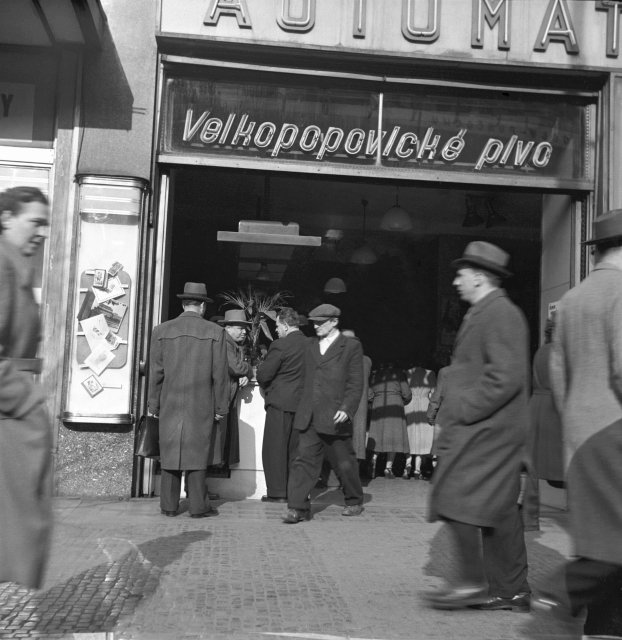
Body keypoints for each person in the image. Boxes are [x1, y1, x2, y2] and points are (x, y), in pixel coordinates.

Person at [425, 241, 531, 612]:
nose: (456, 280)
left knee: (456, 499)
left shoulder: (500, 314)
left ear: (480, 277)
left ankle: (471, 583)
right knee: (499, 513)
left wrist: (462, 409)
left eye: (461, 273)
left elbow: (506, 377)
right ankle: (511, 591)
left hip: (489, 431)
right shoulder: (484, 312)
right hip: (487, 429)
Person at [542, 209, 622, 637]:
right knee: (613, 538)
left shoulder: (572, 299)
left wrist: (575, 419)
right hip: (615, 431)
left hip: (581, 434)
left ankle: (602, 627)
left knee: (603, 531)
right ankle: (567, 588)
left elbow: (558, 372)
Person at [0, 186, 52, 589]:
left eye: (45, 224)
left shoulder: (15, 267)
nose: (40, 232)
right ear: (6, 218)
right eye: (34, 221)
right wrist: (29, 400)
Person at [148, 282, 229, 518]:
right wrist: (221, 407)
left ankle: (169, 506)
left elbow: (156, 373)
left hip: (170, 402)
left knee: (170, 452)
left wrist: (154, 404)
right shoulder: (215, 332)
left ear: (184, 304)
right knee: (197, 452)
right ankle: (197, 506)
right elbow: (220, 375)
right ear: (202, 306)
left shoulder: (161, 331)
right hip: (201, 402)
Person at [283, 303, 365, 523]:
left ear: (334, 322)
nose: (316, 326)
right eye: (314, 323)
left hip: (335, 416)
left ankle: (354, 500)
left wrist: (347, 408)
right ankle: (297, 508)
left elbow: (356, 382)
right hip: (309, 415)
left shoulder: (350, 347)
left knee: (343, 463)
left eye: (321, 322)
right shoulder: (310, 345)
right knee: (304, 462)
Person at [256, 307, 308, 503]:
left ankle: (277, 493)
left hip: (280, 403)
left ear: (286, 325)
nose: (276, 330)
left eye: (277, 325)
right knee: (297, 451)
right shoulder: (312, 345)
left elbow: (264, 374)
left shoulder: (280, 345)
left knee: (274, 449)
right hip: (303, 405)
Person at [218, 309, 254, 467]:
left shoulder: (231, 344)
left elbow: (237, 369)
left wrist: (243, 374)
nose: (244, 332)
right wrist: (248, 370)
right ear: (228, 328)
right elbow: (236, 367)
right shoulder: (226, 343)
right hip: (221, 399)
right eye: (240, 328)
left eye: (245, 328)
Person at [367, 363, 412, 478]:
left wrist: (375, 399)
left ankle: (374, 459)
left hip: (378, 404)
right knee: (394, 437)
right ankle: (388, 468)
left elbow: (369, 393)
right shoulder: (399, 373)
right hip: (395, 405)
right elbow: (407, 394)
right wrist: (403, 401)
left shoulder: (375, 374)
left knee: (378, 435)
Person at [341, 329, 372, 477]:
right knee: (358, 440)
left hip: (345, 403)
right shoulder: (367, 360)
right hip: (361, 406)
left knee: (343, 439)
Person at [404, 365, 437, 479]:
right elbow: (433, 393)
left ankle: (407, 464)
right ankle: (417, 469)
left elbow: (405, 391)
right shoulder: (430, 373)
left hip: (410, 405)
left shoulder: (407, 372)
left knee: (410, 435)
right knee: (421, 439)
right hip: (424, 404)